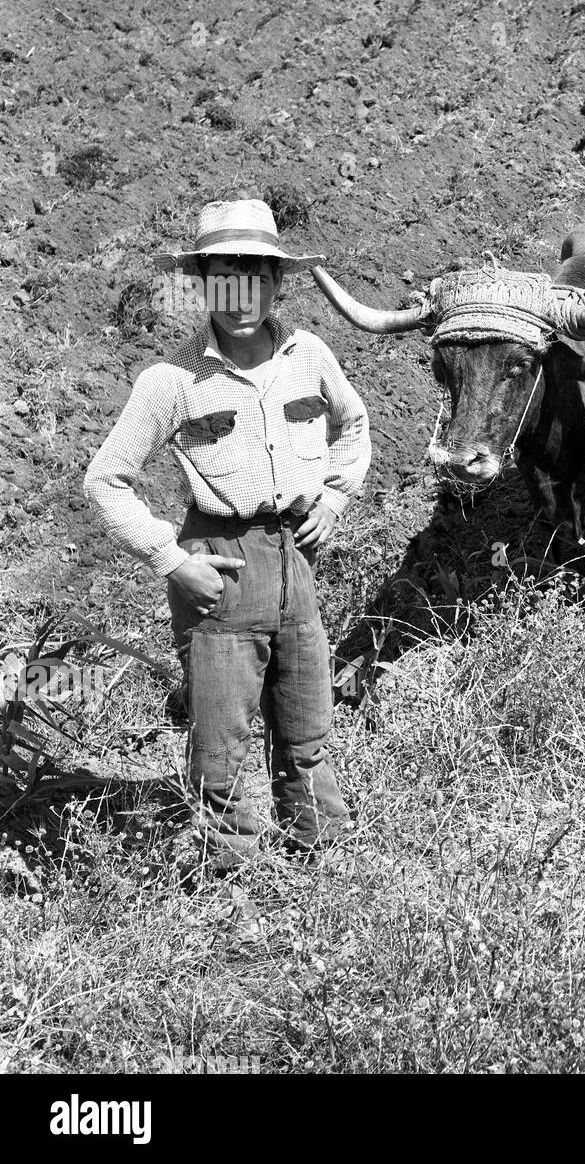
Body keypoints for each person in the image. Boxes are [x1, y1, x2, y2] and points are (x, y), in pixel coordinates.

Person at [84, 199, 371, 868]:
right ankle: (230, 881)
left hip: (294, 558)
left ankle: (319, 851)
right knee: (221, 740)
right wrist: (171, 560)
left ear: (277, 281)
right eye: (224, 271)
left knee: (307, 720)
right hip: (217, 562)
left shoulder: (310, 356)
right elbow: (104, 480)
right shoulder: (172, 380)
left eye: (256, 271)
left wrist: (334, 494)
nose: (241, 288)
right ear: (204, 281)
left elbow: (354, 423)